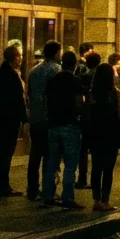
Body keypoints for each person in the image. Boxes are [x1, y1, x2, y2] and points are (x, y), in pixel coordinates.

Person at [42, 50, 85, 210]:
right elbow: (79, 103)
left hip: (53, 125)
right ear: (74, 65)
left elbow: (46, 102)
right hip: (70, 124)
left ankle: (48, 196)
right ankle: (68, 198)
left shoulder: (53, 80)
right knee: (70, 164)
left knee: (52, 162)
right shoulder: (75, 81)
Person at [84, 63, 120, 212]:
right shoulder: (115, 94)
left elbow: (87, 114)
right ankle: (105, 200)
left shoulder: (91, 94)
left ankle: (96, 199)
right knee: (108, 169)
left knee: (96, 167)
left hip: (95, 133)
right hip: (111, 133)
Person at [24, 41, 60, 201]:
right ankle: (48, 189)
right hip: (50, 117)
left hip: (36, 117)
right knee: (50, 155)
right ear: (55, 53)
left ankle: (32, 188)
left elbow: (29, 93)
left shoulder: (34, 70)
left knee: (35, 154)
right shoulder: (56, 70)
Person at [0, 44, 26, 198]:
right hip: (9, 119)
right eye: (19, 55)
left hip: (0, 118)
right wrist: (25, 118)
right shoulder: (11, 75)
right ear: (15, 57)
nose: (21, 58)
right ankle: (2, 185)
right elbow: (18, 99)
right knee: (5, 153)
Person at [74, 49, 100, 189]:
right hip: (97, 116)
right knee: (96, 151)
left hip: (85, 116)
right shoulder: (101, 77)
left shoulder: (83, 76)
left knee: (82, 150)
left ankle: (82, 178)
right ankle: (95, 180)